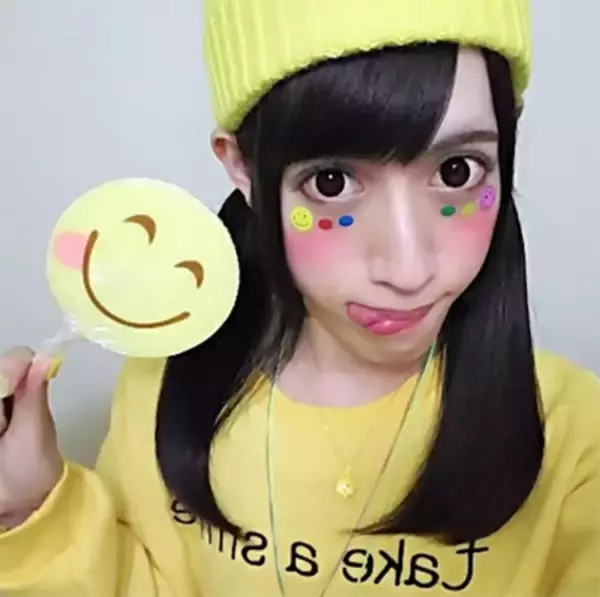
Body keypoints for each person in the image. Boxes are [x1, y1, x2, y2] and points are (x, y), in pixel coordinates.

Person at [0, 0, 599, 595]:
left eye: (458, 171)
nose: (407, 269)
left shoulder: (577, 436)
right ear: (243, 168)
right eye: (331, 183)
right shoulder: (162, 389)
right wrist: (29, 511)